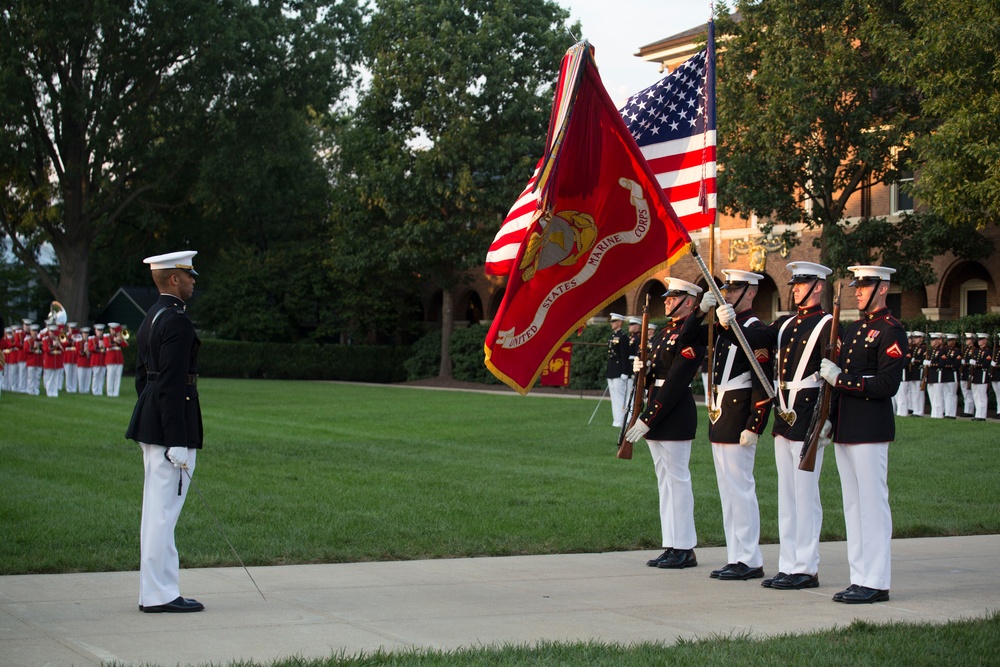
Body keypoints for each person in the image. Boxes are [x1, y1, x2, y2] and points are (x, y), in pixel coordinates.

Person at [717, 261, 834, 591]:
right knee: (788, 496)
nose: (795, 287)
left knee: (805, 495)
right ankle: (789, 564)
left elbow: (832, 379)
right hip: (785, 418)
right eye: (794, 283)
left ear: (818, 287)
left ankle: (806, 567)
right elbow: (753, 337)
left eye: (802, 283)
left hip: (809, 417)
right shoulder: (786, 325)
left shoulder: (827, 324)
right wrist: (726, 323)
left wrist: (828, 422)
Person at [819, 265, 907, 604]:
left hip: (870, 427)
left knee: (872, 505)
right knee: (853, 506)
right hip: (846, 427)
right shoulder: (855, 329)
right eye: (857, 286)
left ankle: (877, 581)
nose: (858, 291)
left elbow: (887, 384)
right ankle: (859, 577)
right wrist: (830, 418)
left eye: (865, 285)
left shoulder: (891, 330)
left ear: (882, 288)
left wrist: (841, 379)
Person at [125, 250, 205, 614]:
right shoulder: (177, 321)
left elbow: (144, 377)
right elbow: (172, 384)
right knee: (162, 514)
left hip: (152, 420)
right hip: (169, 426)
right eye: (189, 276)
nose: (193, 281)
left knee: (156, 512)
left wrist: (154, 417)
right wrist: (175, 437)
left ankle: (156, 590)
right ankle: (160, 594)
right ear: (174, 278)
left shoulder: (153, 316)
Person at [626, 278, 706, 570]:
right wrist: (643, 371)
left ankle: (685, 548)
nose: (667, 301)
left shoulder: (690, 334)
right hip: (657, 410)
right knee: (665, 483)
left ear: (689, 301)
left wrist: (648, 416)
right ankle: (671, 543)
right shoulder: (663, 332)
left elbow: (676, 381)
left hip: (673, 412)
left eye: (674, 297)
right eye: (668, 297)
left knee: (678, 482)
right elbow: (657, 374)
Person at [700, 270, 773, 581]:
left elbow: (762, 381)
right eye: (727, 288)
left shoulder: (754, 328)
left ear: (751, 293)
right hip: (721, 413)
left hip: (739, 412)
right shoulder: (728, 325)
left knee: (740, 489)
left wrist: (755, 424)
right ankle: (736, 555)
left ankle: (750, 559)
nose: (727, 293)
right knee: (727, 492)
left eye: (735, 288)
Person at [606, 313, 630, 428]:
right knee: (614, 397)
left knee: (620, 397)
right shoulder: (612, 336)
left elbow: (624, 356)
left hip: (619, 370)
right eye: (611, 321)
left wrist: (625, 372)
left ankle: (621, 420)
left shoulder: (623, 337)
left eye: (614, 321)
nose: (612, 323)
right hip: (611, 369)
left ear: (620, 323)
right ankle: (616, 419)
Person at [969, 333, 992, 421]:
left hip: (982, 375)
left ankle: (982, 415)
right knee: (976, 395)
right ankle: (978, 414)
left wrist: (976, 364)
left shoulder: (987, 352)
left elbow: (986, 364)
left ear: (985, 340)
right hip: (975, 375)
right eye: (978, 339)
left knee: (982, 396)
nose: (979, 341)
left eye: (981, 339)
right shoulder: (977, 351)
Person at [907, 331, 926, 417]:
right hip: (913, 372)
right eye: (914, 337)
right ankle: (915, 410)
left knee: (919, 392)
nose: (915, 339)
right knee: (913, 392)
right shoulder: (913, 348)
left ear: (921, 339)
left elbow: (923, 360)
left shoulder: (924, 348)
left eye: (917, 337)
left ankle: (919, 411)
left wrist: (916, 361)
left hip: (919, 371)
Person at [942, 334, 961, 419]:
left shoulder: (957, 351)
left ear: (954, 341)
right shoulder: (946, 350)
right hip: (946, 374)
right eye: (948, 340)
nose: (948, 342)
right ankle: (947, 412)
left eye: (950, 340)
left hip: (953, 374)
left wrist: (947, 365)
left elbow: (956, 364)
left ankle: (952, 413)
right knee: (946, 394)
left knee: (952, 394)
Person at [960, 333, 976, 416]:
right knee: (965, 393)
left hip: (969, 372)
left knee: (970, 393)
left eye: (968, 339)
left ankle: (969, 411)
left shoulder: (974, 349)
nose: (966, 340)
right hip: (964, 372)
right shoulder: (966, 349)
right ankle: (967, 409)